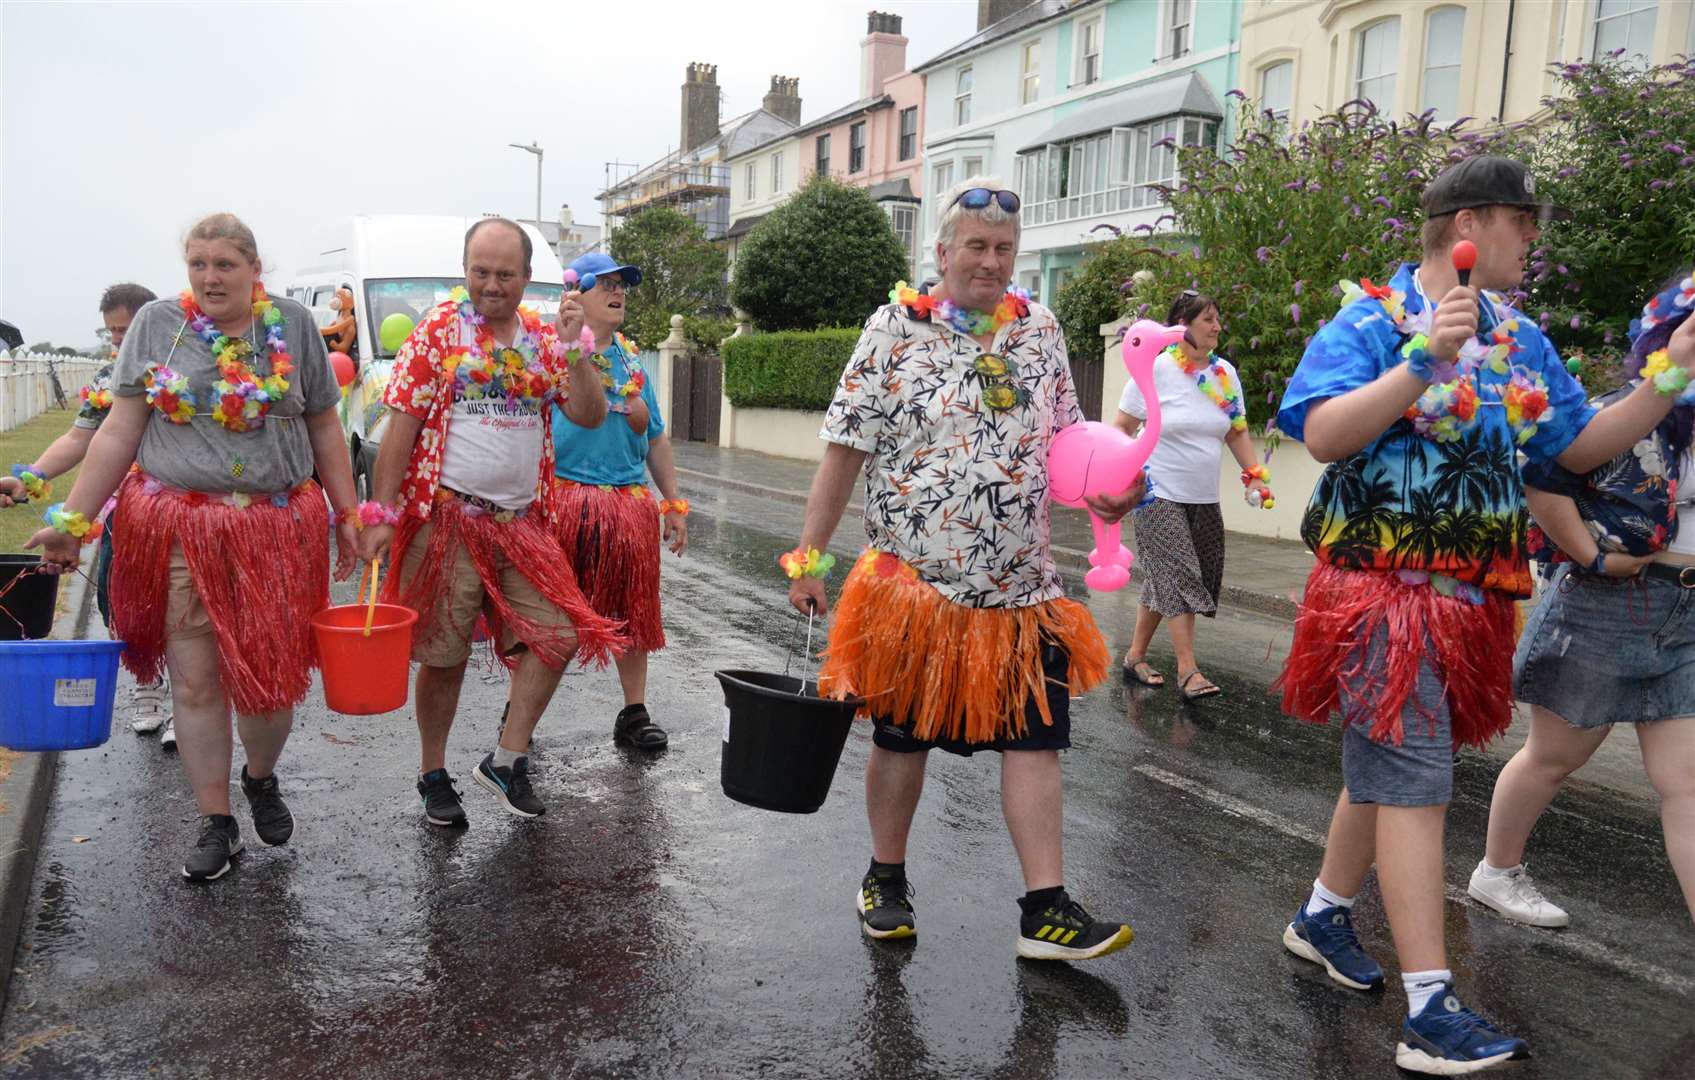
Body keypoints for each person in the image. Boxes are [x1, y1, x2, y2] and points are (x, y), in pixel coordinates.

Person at [1272, 155, 1695, 1075]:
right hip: (1380, 595)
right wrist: (1420, 362)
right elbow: (1320, 434)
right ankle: (1428, 1007)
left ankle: (1321, 913)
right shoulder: (1371, 320)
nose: (1534, 241)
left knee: (1391, 765)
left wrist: (1669, 374)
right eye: (1525, 223)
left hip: (1468, 603)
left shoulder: (1520, 339)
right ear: (1471, 225)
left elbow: (1575, 451)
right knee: (1412, 780)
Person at [788, 177, 1140, 962]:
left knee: (1036, 743)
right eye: (975, 247)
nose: (990, 261)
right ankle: (885, 879)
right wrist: (809, 559)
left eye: (1003, 250)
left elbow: (1066, 447)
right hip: (918, 588)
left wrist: (1108, 494)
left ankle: (1044, 910)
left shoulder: (1039, 330)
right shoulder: (891, 330)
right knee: (901, 741)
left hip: (1022, 589)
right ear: (941, 253)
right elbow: (843, 450)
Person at [27, 213, 358, 882]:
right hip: (180, 529)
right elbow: (119, 432)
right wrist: (74, 519)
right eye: (199, 264)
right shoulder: (156, 325)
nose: (210, 276)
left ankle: (259, 777)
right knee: (197, 679)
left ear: (252, 269)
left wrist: (350, 512)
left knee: (268, 688)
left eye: (225, 265)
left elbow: (325, 428)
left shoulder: (292, 325)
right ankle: (216, 822)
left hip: (274, 528)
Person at [359, 218, 625, 828]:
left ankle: (506, 759)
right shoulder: (438, 331)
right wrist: (382, 513)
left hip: (522, 525)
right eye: (480, 272)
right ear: (466, 271)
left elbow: (587, 414)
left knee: (558, 635)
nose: (491, 285)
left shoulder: (544, 336)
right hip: (447, 518)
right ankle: (433, 773)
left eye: (505, 274)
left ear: (526, 278)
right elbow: (401, 425)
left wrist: (576, 346)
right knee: (445, 657)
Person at [1468, 269, 1695, 927]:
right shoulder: (1634, 407)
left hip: (1685, 613)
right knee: (1552, 758)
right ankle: (1495, 871)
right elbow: (1543, 477)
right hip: (1608, 604)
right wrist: (1591, 555)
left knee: (1685, 784)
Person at [5, 284, 175, 741]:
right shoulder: (106, 379)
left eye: (128, 330)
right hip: (127, 515)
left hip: (185, 514)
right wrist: (31, 478)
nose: (119, 340)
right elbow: (80, 439)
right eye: (113, 332)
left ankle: (187, 698)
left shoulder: (187, 371)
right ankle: (147, 685)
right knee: (119, 601)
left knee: (183, 608)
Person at [540, 252, 688, 751]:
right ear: (574, 293)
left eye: (622, 283)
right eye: (604, 283)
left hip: (628, 504)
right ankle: (518, 717)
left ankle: (634, 712)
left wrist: (673, 505)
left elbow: (658, 440)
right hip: (565, 501)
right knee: (548, 617)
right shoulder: (549, 351)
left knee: (634, 612)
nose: (618, 290)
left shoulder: (632, 360)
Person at [1115, 290, 1269, 700]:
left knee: (1167, 576)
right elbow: (1120, 429)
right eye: (1209, 320)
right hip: (1156, 492)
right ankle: (1188, 670)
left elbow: (1236, 429)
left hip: (1203, 496)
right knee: (1180, 572)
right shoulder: (1154, 371)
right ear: (1182, 326)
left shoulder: (1225, 375)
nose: (1217, 326)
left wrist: (1254, 474)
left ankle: (1134, 656)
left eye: (1218, 319)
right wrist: (1122, 477)